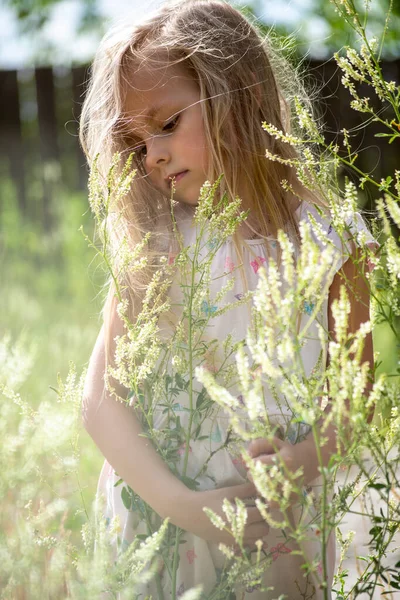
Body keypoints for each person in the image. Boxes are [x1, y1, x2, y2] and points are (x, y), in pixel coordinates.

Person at [80, 1, 375, 598]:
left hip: (278, 524)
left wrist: (298, 461)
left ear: (235, 97)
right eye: (137, 143)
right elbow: (100, 400)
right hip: (165, 519)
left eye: (165, 125)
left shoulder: (328, 236)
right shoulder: (155, 241)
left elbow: (358, 398)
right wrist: (184, 506)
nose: (153, 156)